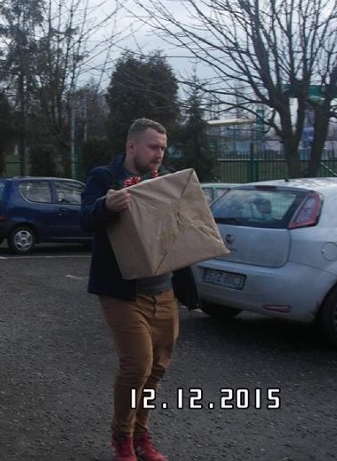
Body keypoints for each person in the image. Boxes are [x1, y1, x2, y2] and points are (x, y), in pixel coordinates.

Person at [81, 118, 196, 461]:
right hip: (123, 292)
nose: (159, 154)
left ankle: (142, 433)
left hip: (164, 289)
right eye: (153, 147)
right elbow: (85, 216)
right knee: (137, 365)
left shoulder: (167, 180)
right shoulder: (105, 177)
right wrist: (106, 205)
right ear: (132, 146)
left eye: (163, 148)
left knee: (158, 368)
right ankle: (122, 437)